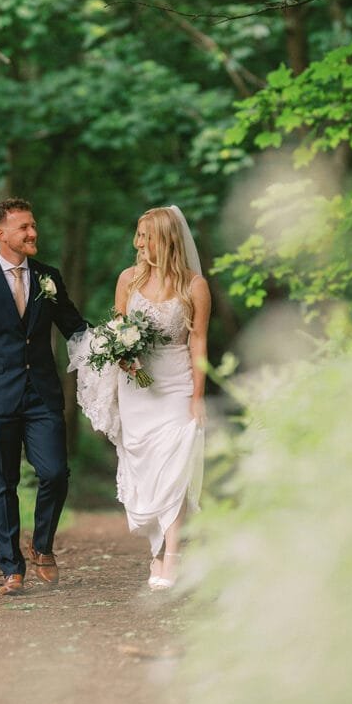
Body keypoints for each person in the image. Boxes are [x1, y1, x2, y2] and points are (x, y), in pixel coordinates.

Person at [0, 197, 88, 596]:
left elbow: (75, 327)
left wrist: (118, 347)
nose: (33, 233)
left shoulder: (49, 276)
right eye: (24, 227)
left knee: (55, 473)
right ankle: (12, 568)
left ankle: (42, 546)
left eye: (34, 225)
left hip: (42, 394)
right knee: (1, 482)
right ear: (1, 233)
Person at [71, 205, 210, 590]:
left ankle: (173, 555)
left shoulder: (193, 285)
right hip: (138, 388)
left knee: (176, 465)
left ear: (164, 239)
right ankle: (156, 552)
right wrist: (125, 359)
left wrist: (197, 394)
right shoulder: (129, 280)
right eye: (138, 235)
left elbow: (198, 339)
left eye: (145, 235)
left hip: (177, 381)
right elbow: (117, 328)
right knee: (148, 470)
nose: (138, 243)